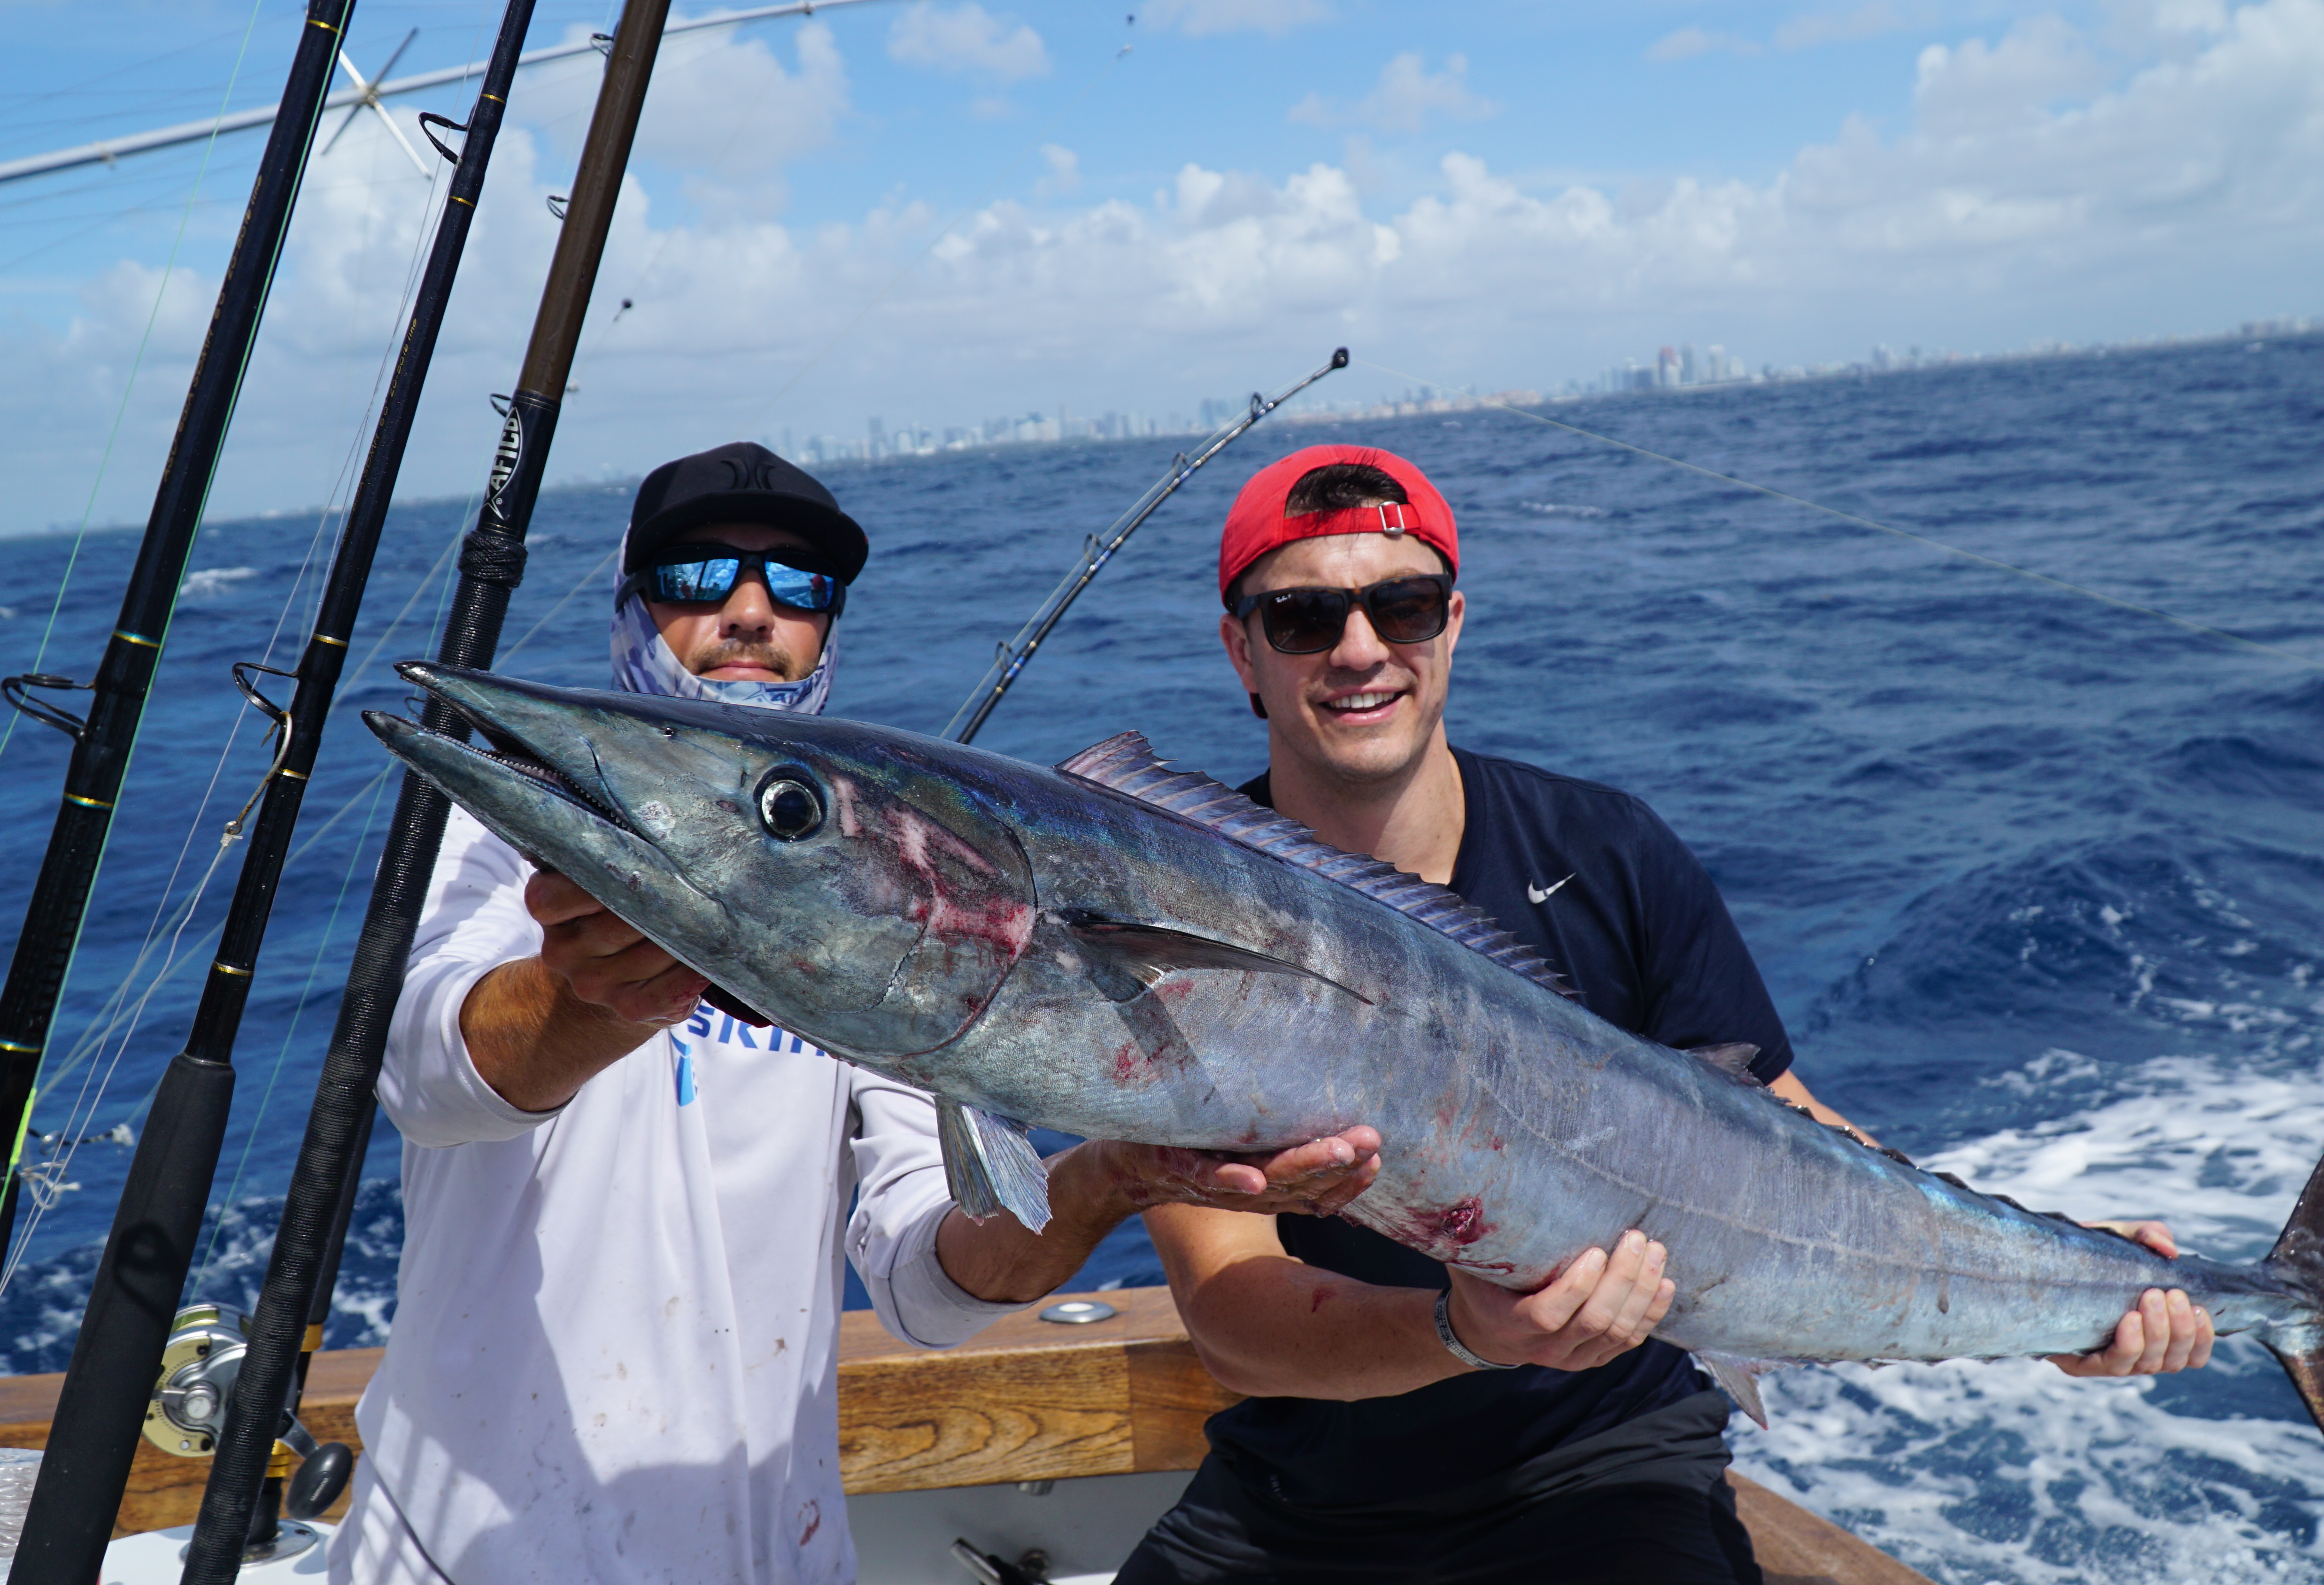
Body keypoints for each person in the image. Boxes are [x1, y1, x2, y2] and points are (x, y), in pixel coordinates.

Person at [1113, 445, 2216, 1585]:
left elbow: (1790, 1141)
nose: (1359, 649)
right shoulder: (1183, 910)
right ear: (1242, 650)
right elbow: (1231, 1308)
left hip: (1603, 1470)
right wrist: (1463, 1331)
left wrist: (2065, 1289)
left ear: (1453, 624)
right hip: (1297, 1503)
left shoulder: (1607, 848)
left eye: (1402, 605)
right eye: (1303, 617)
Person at [331, 442, 1381, 1584]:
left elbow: (927, 1281)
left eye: (799, 585)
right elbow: (429, 1075)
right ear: (629, 602)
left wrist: (1111, 1176)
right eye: (696, 574)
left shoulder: (894, 902)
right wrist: (599, 996)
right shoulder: (490, 837)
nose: (750, 610)